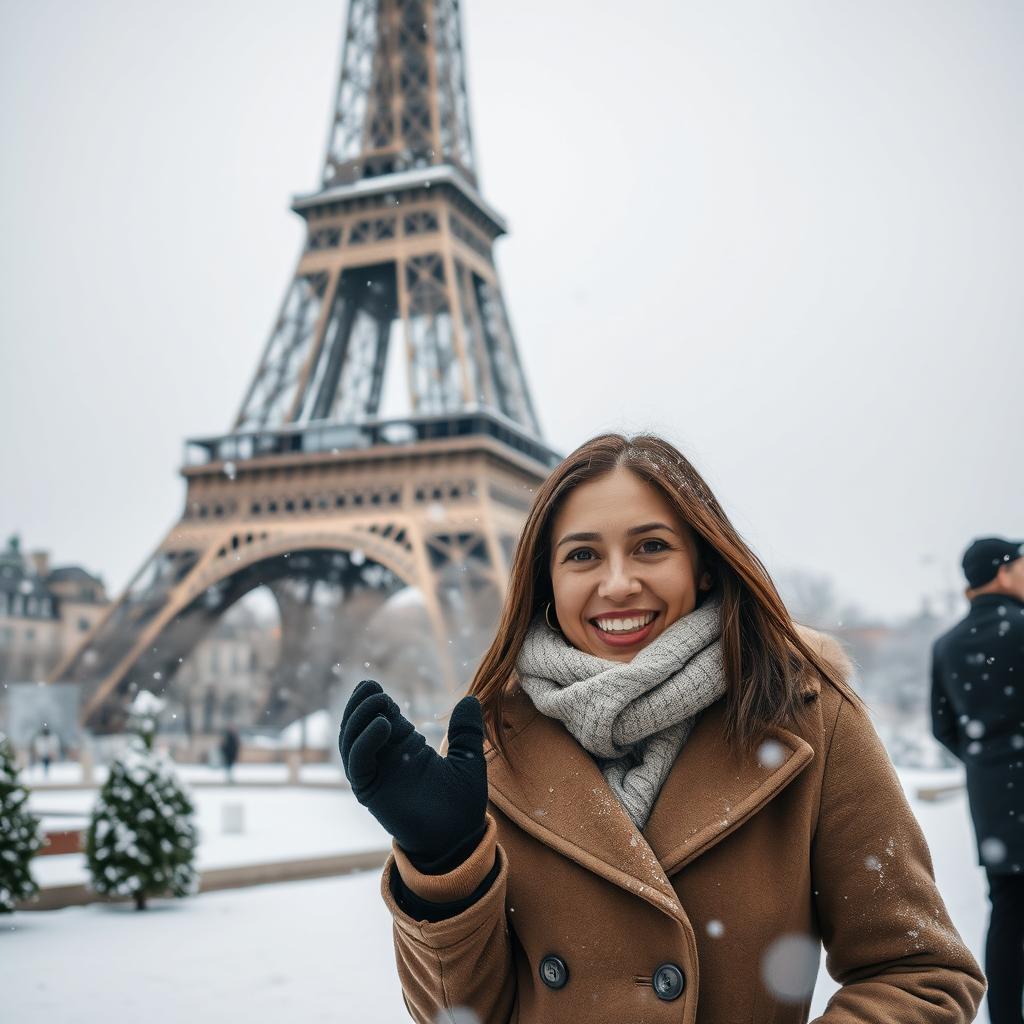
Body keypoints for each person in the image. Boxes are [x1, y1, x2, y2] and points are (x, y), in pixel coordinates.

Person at [340, 433, 985, 1024]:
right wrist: (445, 867)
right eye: (583, 555)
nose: (618, 584)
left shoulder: (809, 717)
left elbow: (919, 971)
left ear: (703, 564)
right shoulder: (488, 748)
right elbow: (461, 1017)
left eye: (651, 546)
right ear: (546, 581)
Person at [931, 536, 1024, 1024]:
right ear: (1003, 573)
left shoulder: (948, 644)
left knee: (1007, 908)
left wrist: (987, 761)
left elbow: (941, 726)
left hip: (993, 801)